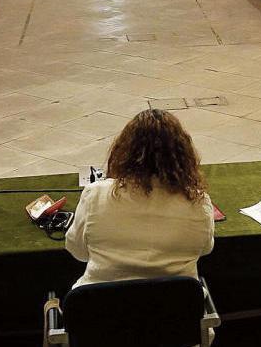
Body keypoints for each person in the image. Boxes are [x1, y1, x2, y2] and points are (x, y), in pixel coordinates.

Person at [66, 109, 214, 288]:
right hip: (174, 312)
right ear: (183, 155)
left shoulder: (94, 195)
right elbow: (205, 248)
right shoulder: (199, 202)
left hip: (102, 311)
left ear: (124, 151)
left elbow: (78, 251)